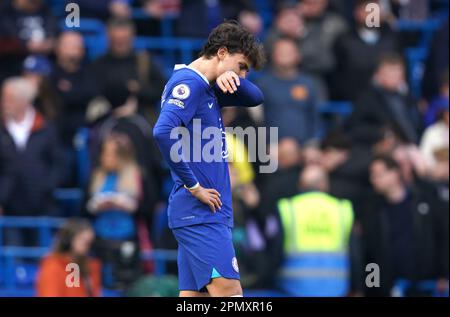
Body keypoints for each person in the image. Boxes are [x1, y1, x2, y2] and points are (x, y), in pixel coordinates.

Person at [153, 21, 265, 297]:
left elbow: (255, 97)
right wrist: (193, 186)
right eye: (241, 67)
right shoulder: (189, 84)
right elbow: (162, 131)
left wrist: (234, 79)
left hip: (203, 214)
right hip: (201, 214)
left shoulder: (207, 87)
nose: (242, 76)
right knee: (230, 296)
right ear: (222, 53)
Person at [362, 155, 449, 296]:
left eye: (378, 174)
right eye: (372, 175)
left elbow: (442, 238)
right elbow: (370, 255)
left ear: (395, 173)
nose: (374, 179)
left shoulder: (424, 202)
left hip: (427, 284)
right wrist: (373, 287)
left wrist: (444, 274)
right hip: (392, 286)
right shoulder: (373, 211)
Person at [0, 77, 66, 245]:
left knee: (43, 259)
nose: (4, 103)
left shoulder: (46, 128)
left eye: (9, 99)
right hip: (8, 209)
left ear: (24, 101)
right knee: (14, 262)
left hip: (42, 206)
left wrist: (47, 185)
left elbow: (59, 163)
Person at [276, 165, 355, 296]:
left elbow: (275, 251)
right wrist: (356, 287)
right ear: (325, 184)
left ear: (300, 185)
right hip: (336, 289)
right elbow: (354, 253)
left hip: (293, 288)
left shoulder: (288, 208)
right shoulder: (342, 209)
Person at [85, 132, 143, 289]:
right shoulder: (97, 175)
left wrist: (123, 204)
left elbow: (145, 208)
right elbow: (86, 207)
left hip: (126, 237)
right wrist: (98, 205)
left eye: (111, 154)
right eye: (104, 153)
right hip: (100, 237)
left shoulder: (135, 175)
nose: (105, 157)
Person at [256, 37, 323, 145]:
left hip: (304, 148)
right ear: (273, 55)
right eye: (280, 51)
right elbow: (257, 120)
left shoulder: (308, 83)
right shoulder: (262, 84)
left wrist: (313, 145)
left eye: (289, 52)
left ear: (298, 56)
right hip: (272, 147)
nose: (284, 55)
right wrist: (265, 146)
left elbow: (315, 118)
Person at [36, 219, 102, 297]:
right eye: (84, 241)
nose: (87, 247)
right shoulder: (53, 266)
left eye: (90, 243)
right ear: (68, 240)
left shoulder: (91, 266)